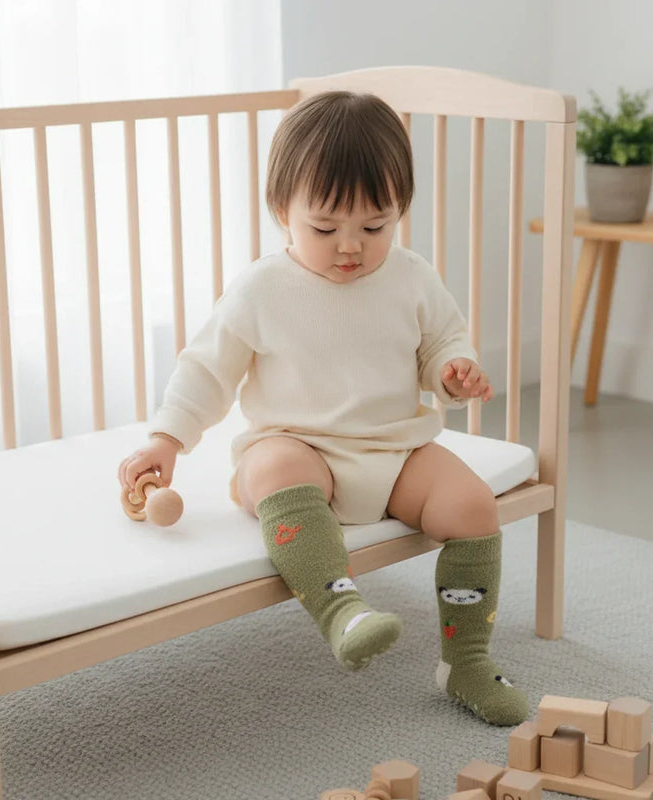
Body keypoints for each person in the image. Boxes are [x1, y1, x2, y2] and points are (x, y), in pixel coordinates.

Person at [117, 90, 528, 726]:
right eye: (325, 227)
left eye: (374, 227)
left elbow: (441, 345)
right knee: (276, 466)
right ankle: (342, 611)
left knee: (473, 506)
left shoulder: (412, 277)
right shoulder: (261, 288)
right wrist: (167, 440)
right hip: (298, 446)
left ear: (400, 213)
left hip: (394, 452)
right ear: (284, 210)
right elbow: (206, 367)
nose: (350, 247)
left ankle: (465, 659)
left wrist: (452, 372)